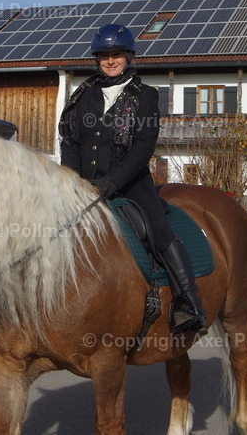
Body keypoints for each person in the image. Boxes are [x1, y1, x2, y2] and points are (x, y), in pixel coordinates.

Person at [58, 23, 206, 334]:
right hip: (83, 183)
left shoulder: (146, 95)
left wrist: (112, 181)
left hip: (131, 181)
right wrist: (72, 179)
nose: (110, 61)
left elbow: (143, 147)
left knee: (158, 229)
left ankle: (188, 302)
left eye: (117, 55)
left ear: (128, 57)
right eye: (104, 56)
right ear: (96, 59)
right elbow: (69, 140)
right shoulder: (82, 95)